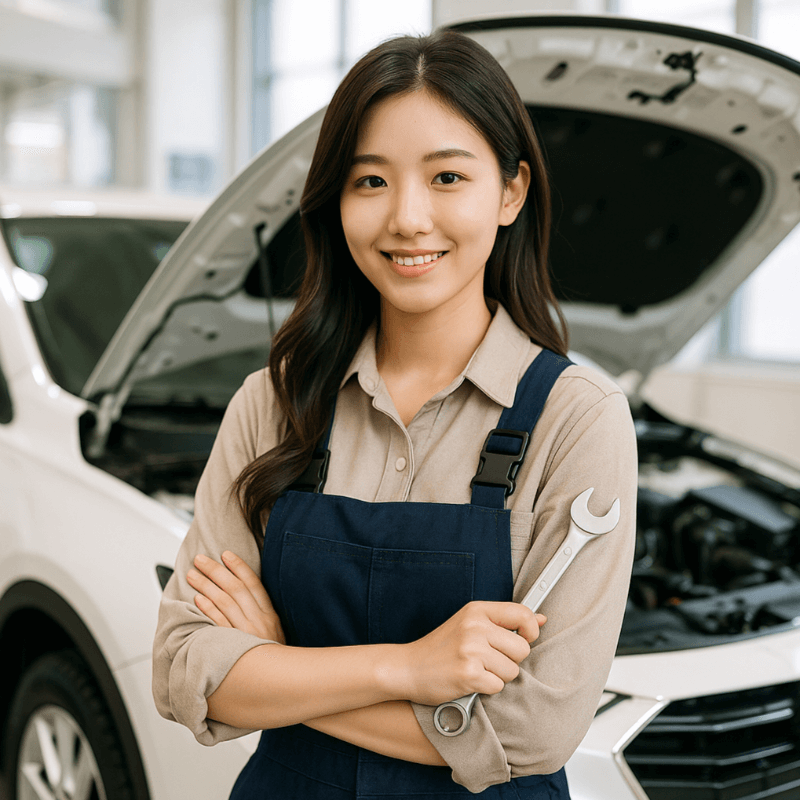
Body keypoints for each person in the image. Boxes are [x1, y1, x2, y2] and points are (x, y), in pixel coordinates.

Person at [152, 28, 637, 799]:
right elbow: (185, 671)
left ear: (511, 192)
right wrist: (408, 668)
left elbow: (533, 731)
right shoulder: (272, 404)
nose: (408, 219)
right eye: (370, 181)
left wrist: (279, 663)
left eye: (447, 176)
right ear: (335, 200)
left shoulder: (578, 421)